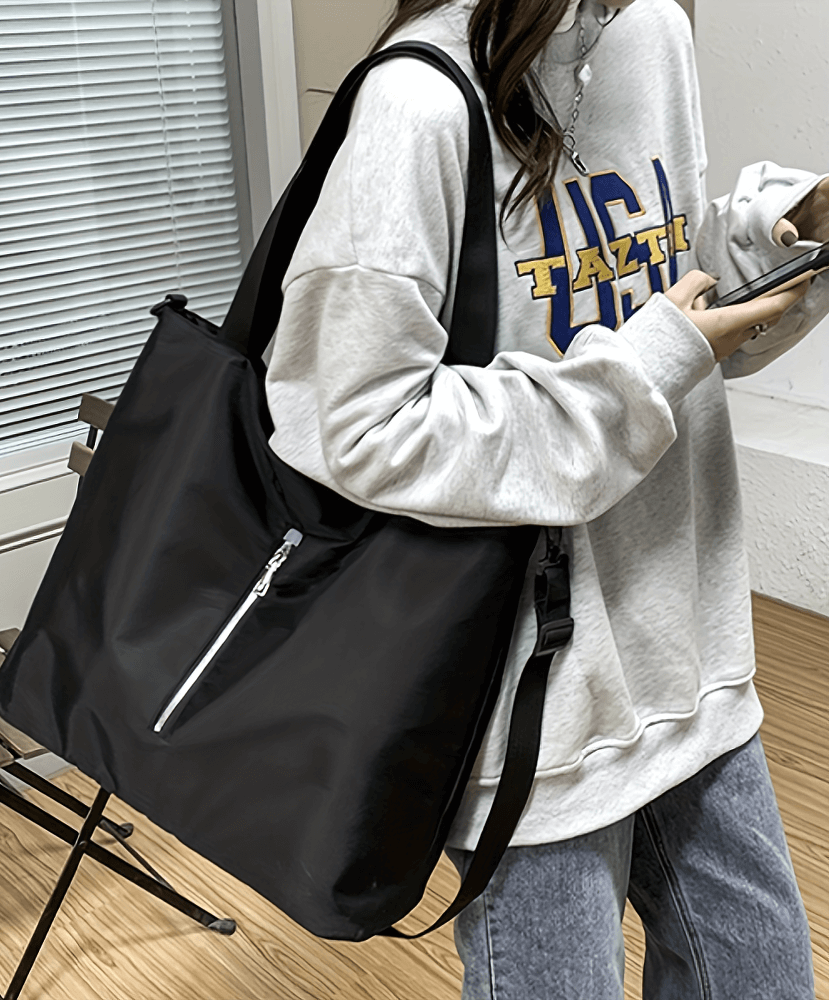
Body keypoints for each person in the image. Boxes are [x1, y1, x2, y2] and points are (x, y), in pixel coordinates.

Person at [264, 0, 828, 996]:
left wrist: (778, 244)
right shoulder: (418, 100)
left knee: (763, 973)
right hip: (528, 706)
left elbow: (665, 288)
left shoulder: (652, 31)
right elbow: (350, 422)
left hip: (688, 651)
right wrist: (649, 363)